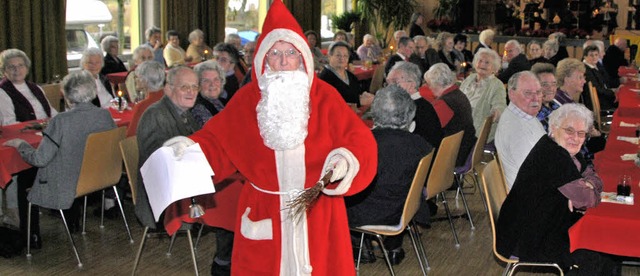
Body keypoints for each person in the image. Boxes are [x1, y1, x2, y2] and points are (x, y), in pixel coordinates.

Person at [160, 1, 377, 274]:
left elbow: (360, 140)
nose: (284, 61)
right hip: (264, 209)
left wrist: (346, 158)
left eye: (291, 52)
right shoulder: (247, 100)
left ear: (303, 58)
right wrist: (188, 147)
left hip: (318, 211)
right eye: (275, 53)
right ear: (263, 59)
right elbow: (217, 141)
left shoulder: (325, 97)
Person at [3, 70, 116, 247]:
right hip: (97, 177)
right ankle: (73, 223)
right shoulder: (105, 115)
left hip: (68, 183)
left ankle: (32, 238)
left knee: (25, 178)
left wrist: (21, 145)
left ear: (67, 96)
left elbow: (39, 159)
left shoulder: (61, 121)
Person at [497, 103, 611, 274]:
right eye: (569, 131)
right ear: (553, 128)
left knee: (598, 238)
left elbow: (593, 176)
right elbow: (587, 201)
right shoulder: (554, 156)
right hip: (527, 238)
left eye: (581, 133)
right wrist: (585, 188)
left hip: (541, 224)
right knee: (597, 249)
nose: (575, 137)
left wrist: (590, 184)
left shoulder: (566, 151)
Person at [345, 84, 432, 265]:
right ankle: (393, 248)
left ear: (375, 112)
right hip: (405, 210)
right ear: (409, 114)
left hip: (373, 214)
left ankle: (361, 249)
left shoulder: (364, 144)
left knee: (340, 198)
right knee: (394, 189)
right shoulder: (421, 144)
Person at [0, 48, 59, 248]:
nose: (17, 70)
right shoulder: (2, 91)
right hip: (21, 139)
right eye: (11, 67)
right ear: (4, 71)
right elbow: (9, 123)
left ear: (27, 68)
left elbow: (52, 112)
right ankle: (22, 220)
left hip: (42, 135)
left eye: (20, 66)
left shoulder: (35, 88)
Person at [135, 66, 201, 233]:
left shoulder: (184, 112)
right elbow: (156, 163)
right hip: (164, 195)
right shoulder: (155, 115)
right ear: (168, 88)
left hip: (186, 183)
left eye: (195, 87)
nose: (191, 92)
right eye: (184, 87)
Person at [495, 71, 546, 189]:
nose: (536, 98)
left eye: (538, 92)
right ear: (512, 94)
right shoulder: (516, 129)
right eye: (528, 93)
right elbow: (533, 176)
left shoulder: (526, 116)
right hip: (531, 197)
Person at [424, 63, 476, 166]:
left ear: (436, 84)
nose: (428, 87)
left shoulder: (444, 103)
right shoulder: (459, 94)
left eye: (429, 84)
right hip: (464, 148)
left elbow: (430, 131)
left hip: (452, 156)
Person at [388, 61, 443, 149]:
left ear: (412, 84)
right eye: (388, 83)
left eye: (395, 82)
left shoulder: (411, 109)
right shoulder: (423, 104)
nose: (389, 87)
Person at [460, 48, 506, 142]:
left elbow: (500, 105)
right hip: (460, 128)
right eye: (480, 61)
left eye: (487, 62)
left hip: (476, 133)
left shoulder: (497, 85)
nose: (482, 64)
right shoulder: (470, 79)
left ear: (494, 68)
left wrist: (496, 113)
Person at [318, 41, 374, 107]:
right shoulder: (324, 78)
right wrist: (358, 102)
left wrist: (364, 94)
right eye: (338, 55)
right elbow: (330, 104)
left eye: (345, 56)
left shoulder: (351, 76)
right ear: (329, 56)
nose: (342, 58)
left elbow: (357, 92)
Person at [125, 61, 165, 137]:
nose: (135, 80)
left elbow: (131, 136)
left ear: (144, 81)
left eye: (136, 77)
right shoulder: (172, 98)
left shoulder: (143, 106)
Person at [582, 45, 617, 111]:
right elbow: (598, 90)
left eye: (596, 55)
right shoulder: (586, 70)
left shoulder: (597, 65)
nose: (594, 57)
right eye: (591, 55)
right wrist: (613, 92)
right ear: (585, 56)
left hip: (605, 96)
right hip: (600, 102)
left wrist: (615, 88)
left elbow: (607, 80)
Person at [192, 60, 226, 126]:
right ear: (198, 84)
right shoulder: (199, 109)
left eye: (216, 79)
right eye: (206, 81)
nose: (212, 84)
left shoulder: (221, 101)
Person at [532, 62, 560, 131]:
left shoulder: (555, 105)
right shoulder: (534, 112)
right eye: (545, 84)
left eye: (554, 84)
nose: (551, 88)